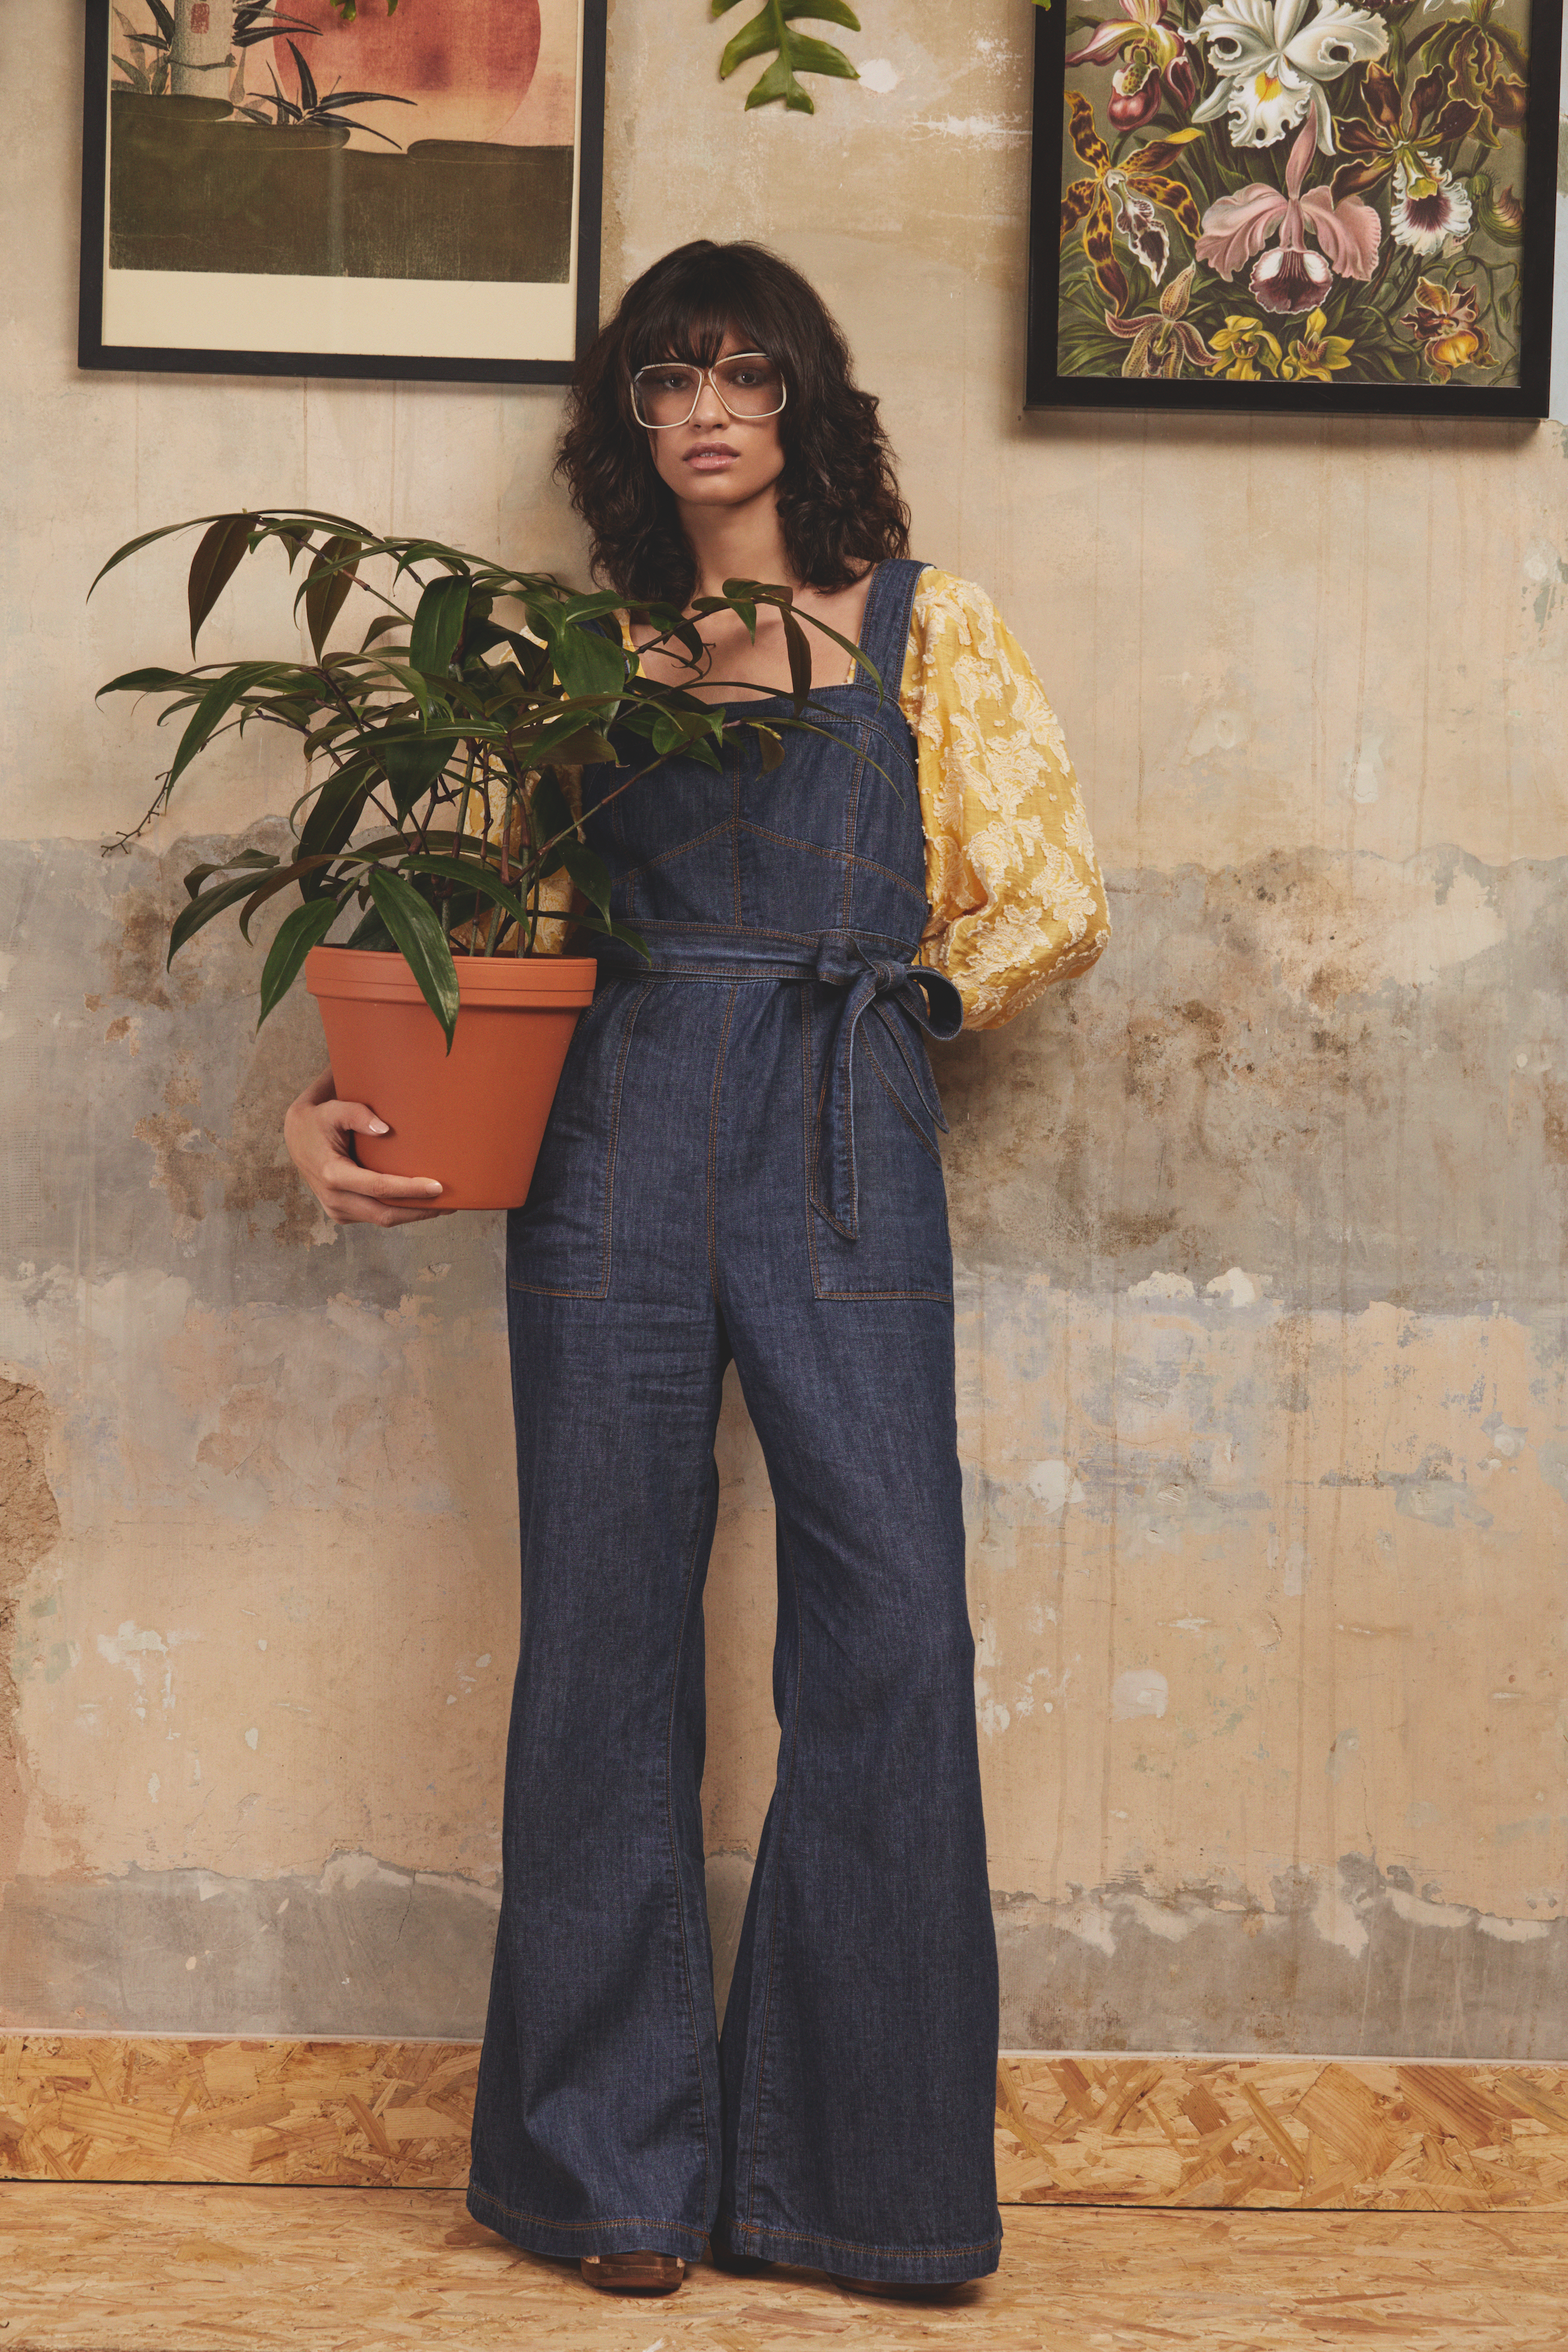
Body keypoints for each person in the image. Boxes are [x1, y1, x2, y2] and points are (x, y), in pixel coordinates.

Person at [284, 239, 1109, 2301]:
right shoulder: (574, 658)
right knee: (602, 1637)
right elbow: (468, 921)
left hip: (843, 1115)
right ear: (630, 420)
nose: (710, 409)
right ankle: (604, 2180)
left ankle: (865, 2186)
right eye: (671, 378)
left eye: (748, 373)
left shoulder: (930, 635)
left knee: (891, 1628)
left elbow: (1049, 899)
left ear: (807, 404)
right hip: (615, 1131)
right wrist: (341, 1106)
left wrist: (887, 1001)